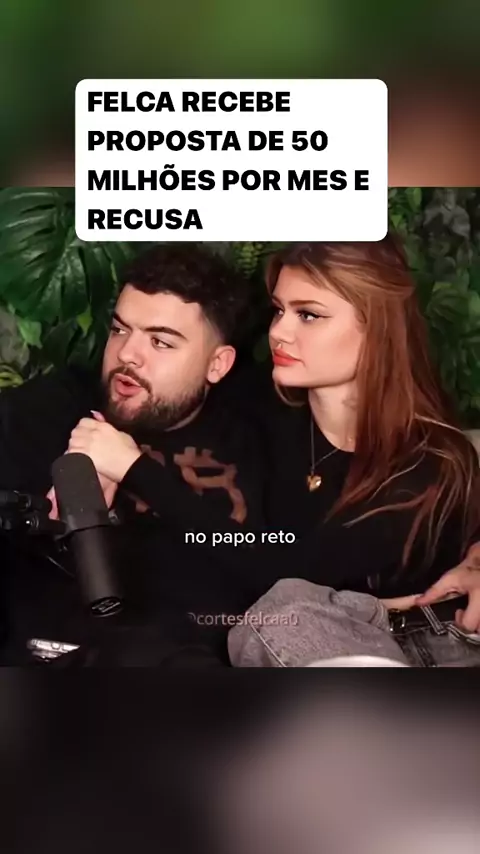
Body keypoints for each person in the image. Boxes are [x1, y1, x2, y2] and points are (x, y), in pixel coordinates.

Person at [0, 243, 264, 665]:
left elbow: (272, 564)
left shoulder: (255, 430)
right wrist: (55, 512)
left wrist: (134, 470)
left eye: (160, 342)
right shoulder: (53, 406)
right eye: (121, 330)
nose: (126, 354)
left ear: (217, 364)